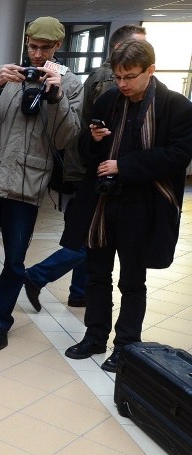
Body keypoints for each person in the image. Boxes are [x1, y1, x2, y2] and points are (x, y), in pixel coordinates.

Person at [0, 16, 83, 351]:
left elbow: (66, 137)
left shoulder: (71, 83)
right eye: (33, 47)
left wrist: (56, 96)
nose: (37, 55)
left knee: (15, 262)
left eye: (45, 48)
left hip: (27, 185)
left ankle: (1, 323)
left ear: (58, 47)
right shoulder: (9, 77)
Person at [64, 39, 192, 372]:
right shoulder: (109, 99)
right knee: (96, 275)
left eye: (130, 77)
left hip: (143, 206)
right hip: (104, 204)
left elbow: (179, 156)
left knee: (132, 281)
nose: (122, 84)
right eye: (118, 76)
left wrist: (125, 165)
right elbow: (86, 150)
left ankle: (126, 346)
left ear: (151, 70)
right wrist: (92, 141)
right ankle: (94, 336)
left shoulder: (175, 106)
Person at [23, 25, 147, 312]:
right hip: (91, 170)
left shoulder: (104, 77)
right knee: (88, 236)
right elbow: (103, 131)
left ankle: (79, 292)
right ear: (119, 49)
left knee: (88, 235)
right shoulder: (109, 80)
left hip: (90, 167)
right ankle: (37, 275)